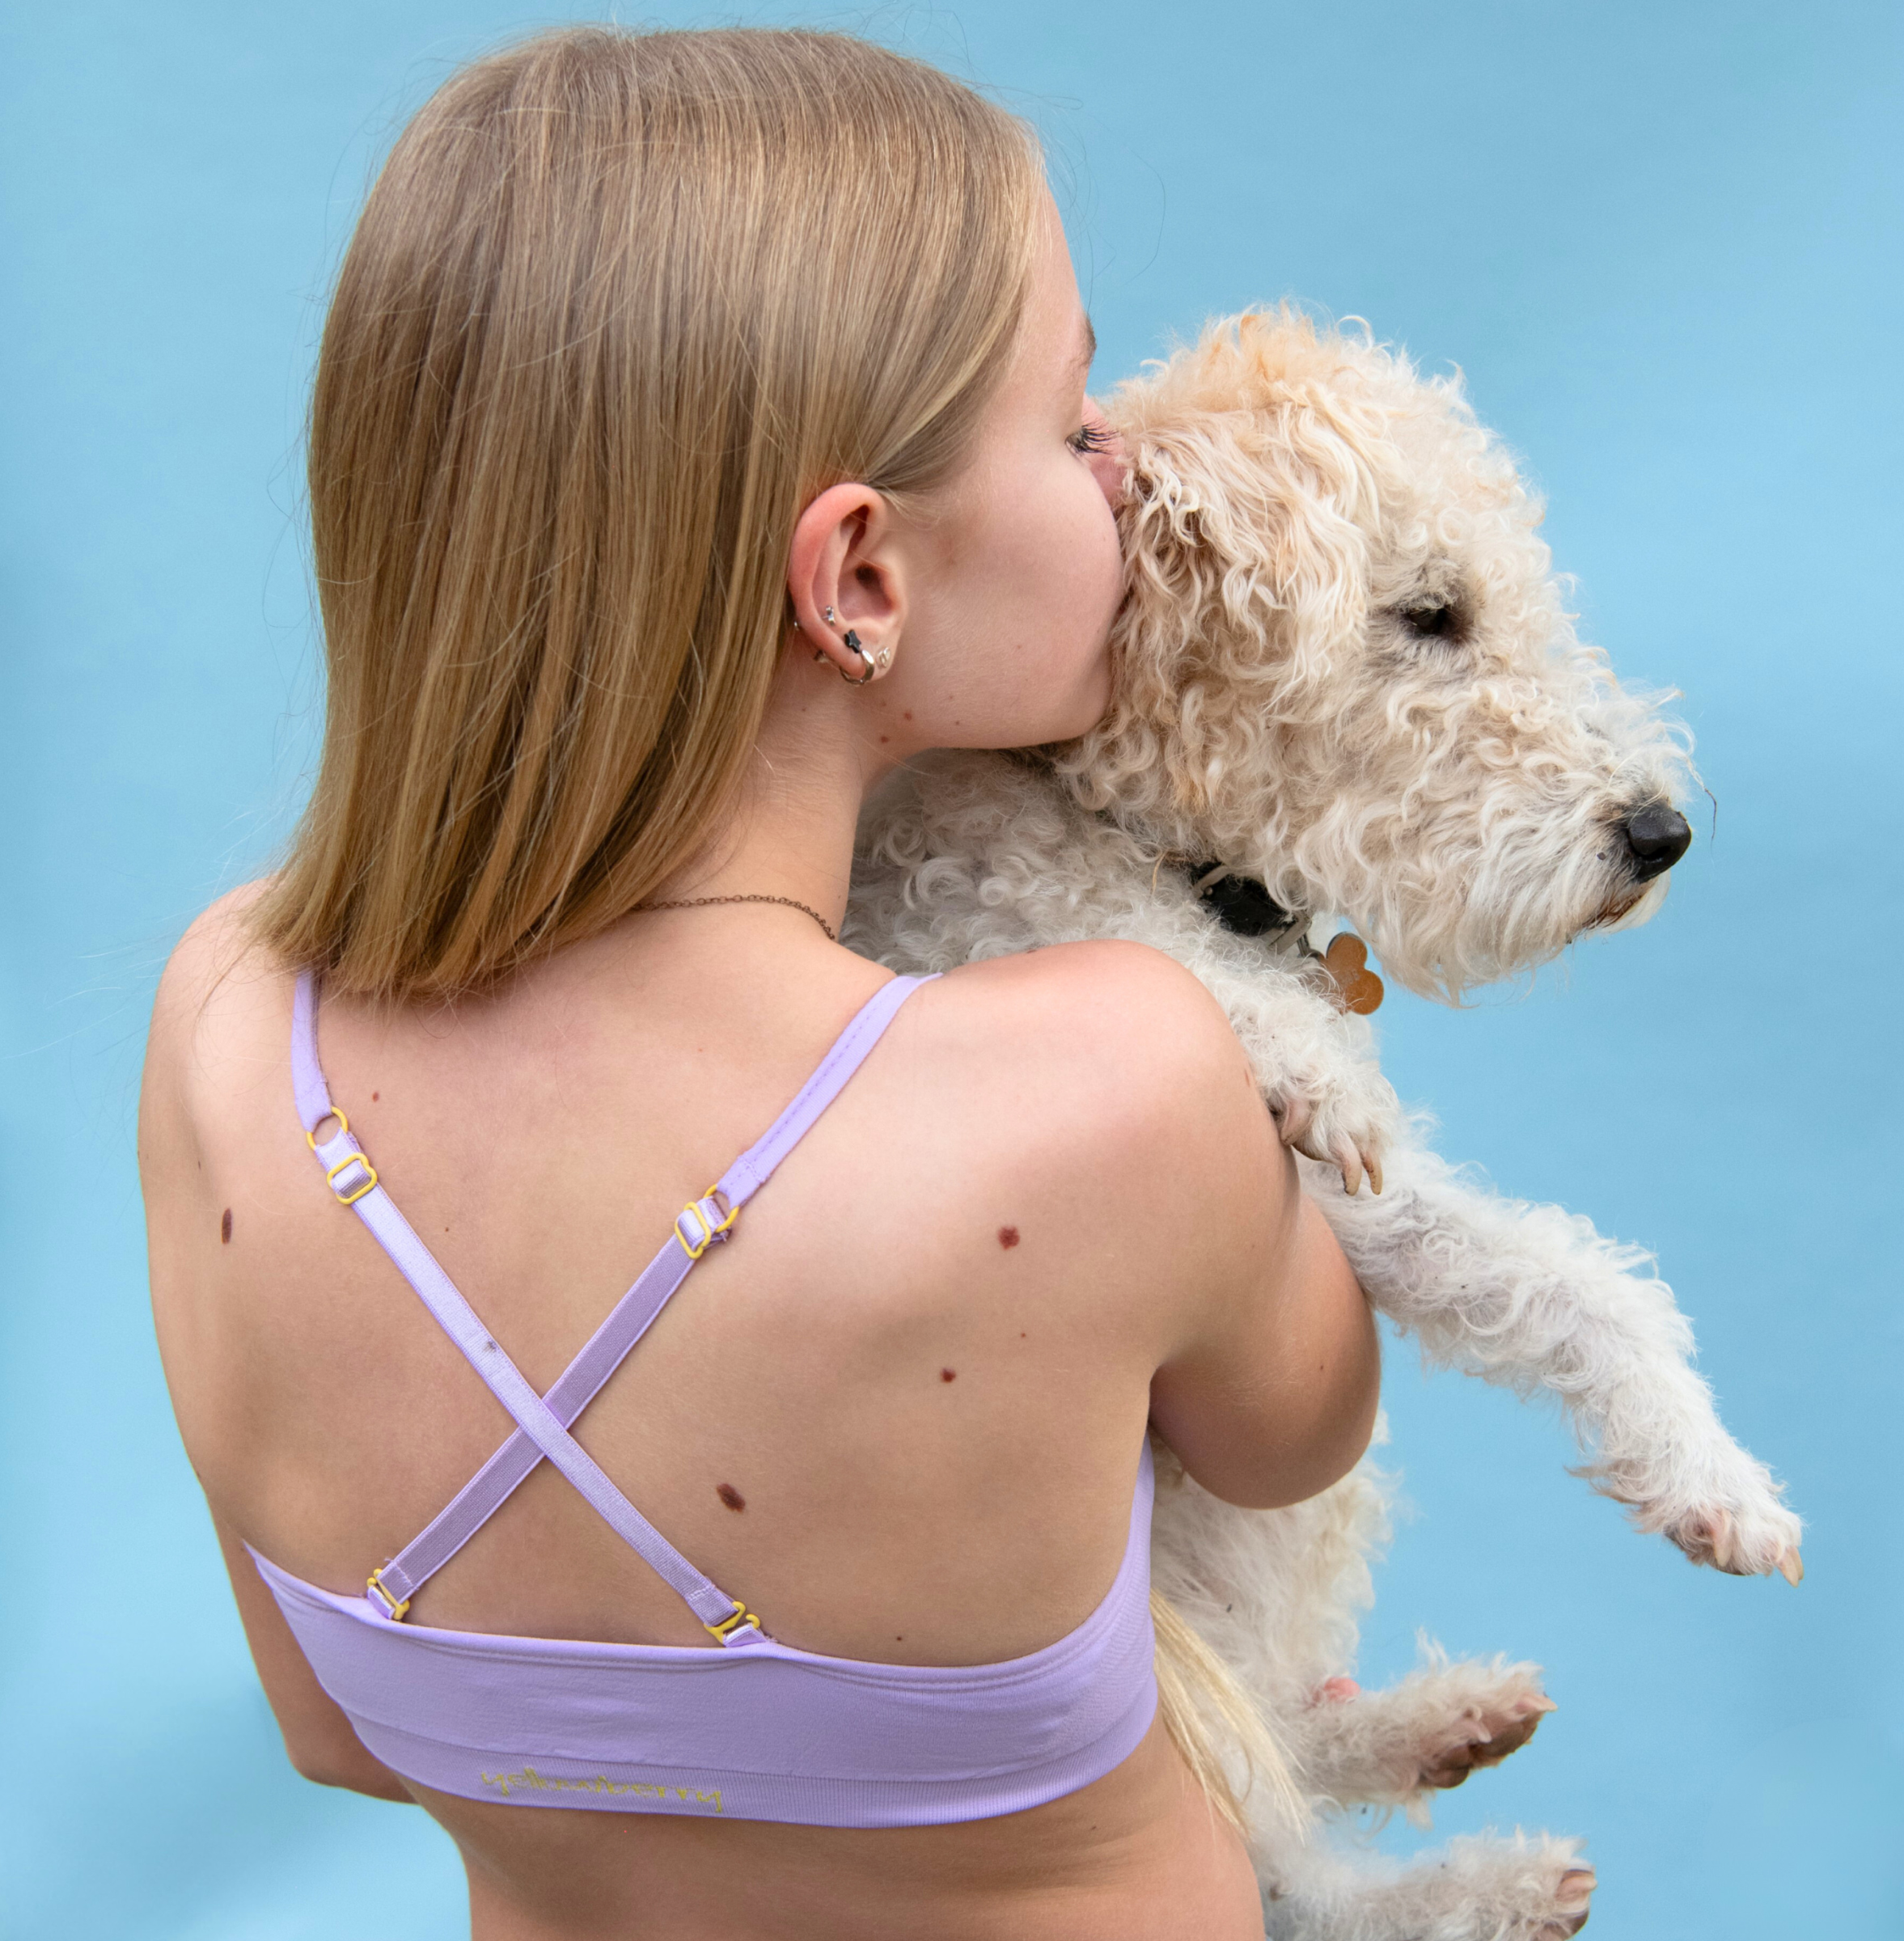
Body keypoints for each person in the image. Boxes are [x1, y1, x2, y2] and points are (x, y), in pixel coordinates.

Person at [139, 26, 1378, 1941]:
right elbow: (1297, 1435)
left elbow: (341, 1732)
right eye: (1070, 424)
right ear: (859, 577)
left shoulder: (228, 1027)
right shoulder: (1111, 1077)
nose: (1127, 473)